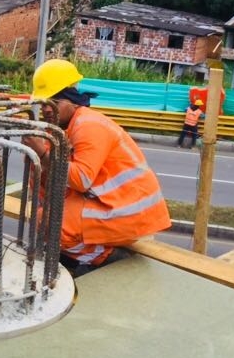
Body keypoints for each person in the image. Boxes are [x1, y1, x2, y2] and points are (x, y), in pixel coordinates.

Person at [24, 59, 171, 276]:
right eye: (43, 103)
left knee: (49, 223)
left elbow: (81, 179)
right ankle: (75, 250)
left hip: (129, 213)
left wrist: (44, 154)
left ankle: (104, 258)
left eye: (52, 102)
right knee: (42, 212)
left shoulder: (88, 127)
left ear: (72, 101)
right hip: (110, 203)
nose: (46, 109)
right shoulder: (71, 125)